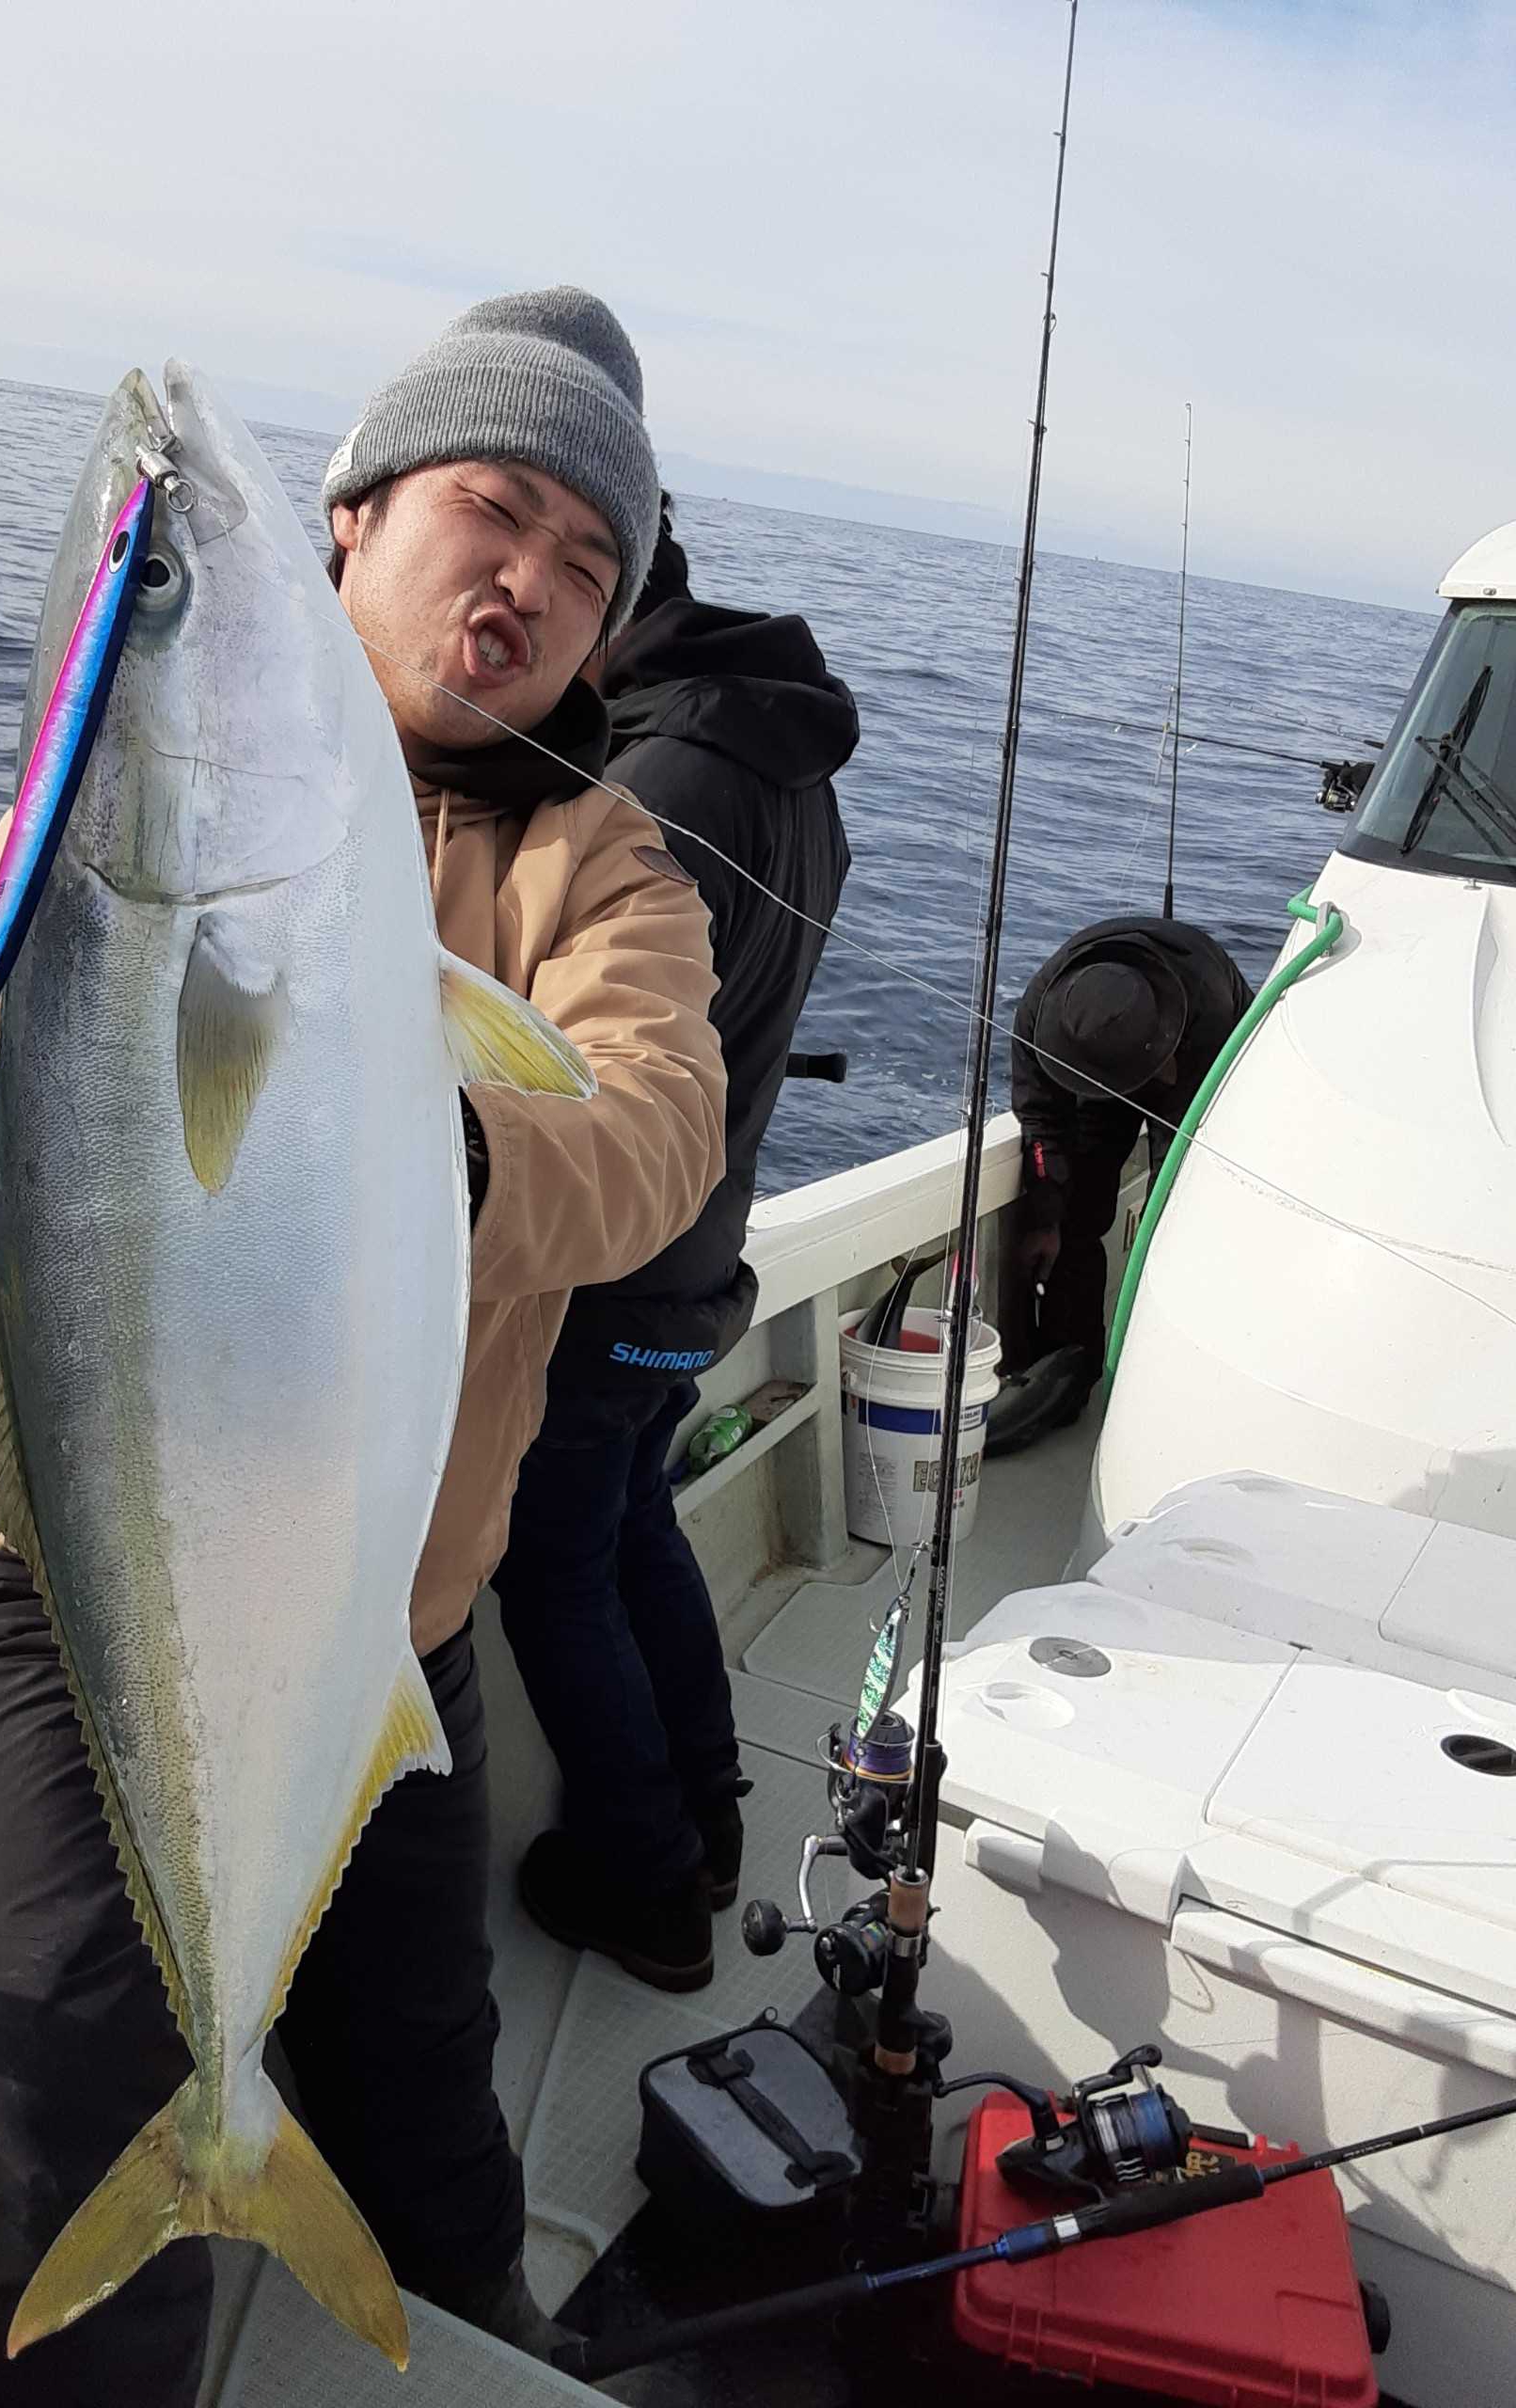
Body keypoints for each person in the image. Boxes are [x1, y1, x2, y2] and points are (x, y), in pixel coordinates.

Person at [0, 288, 726, 2406]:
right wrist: (102, 1279)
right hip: (51, 1580)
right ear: (346, 527)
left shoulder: (600, 860)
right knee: (44, 2074)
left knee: (427, 2106)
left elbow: (652, 1137)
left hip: (376, 1618)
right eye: (493, 508)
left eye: (589, 561)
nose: (530, 577)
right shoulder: (94, 803)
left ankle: (441, 2318)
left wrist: (427, 1146)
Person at [493, 497, 856, 1992]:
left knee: (555, 1567)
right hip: (698, 1252)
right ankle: (706, 1817)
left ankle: (647, 1885)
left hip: (620, 1266)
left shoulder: (657, 777)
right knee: (632, 1521)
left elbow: (565, 1057)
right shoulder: (776, 752)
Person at [990, 913, 1252, 1451]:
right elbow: (1043, 1126)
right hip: (1104, 1056)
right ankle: (1068, 1372)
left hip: (1198, 1049)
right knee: (1077, 1207)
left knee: (1180, 1206)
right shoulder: (1044, 1013)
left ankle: (1169, 1373)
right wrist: (1046, 1221)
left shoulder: (1211, 1006)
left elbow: (1174, 1162)